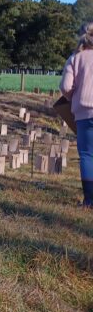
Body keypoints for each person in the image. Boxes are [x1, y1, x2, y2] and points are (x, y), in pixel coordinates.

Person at [60, 21, 93, 208]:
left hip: (85, 112)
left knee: (88, 155)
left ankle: (90, 201)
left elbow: (65, 87)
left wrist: (73, 95)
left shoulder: (76, 57)